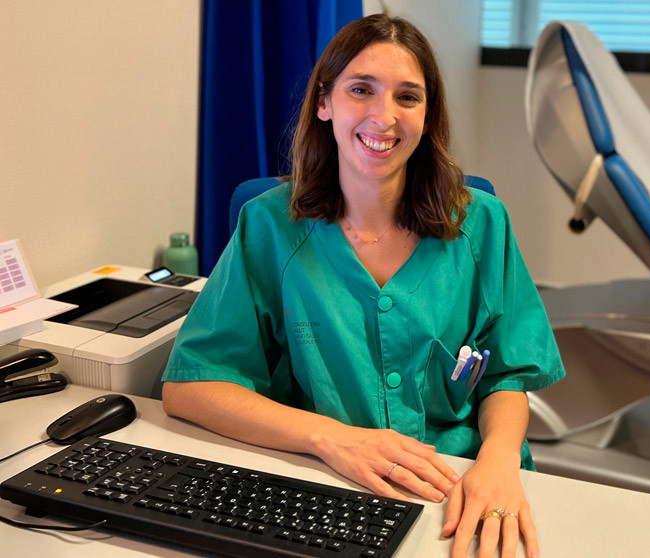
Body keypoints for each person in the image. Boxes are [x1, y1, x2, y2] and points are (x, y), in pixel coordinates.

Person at [161, 13, 564, 558]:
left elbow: (507, 374)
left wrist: (496, 463)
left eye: (408, 97)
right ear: (324, 103)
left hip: (461, 484)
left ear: (428, 115)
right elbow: (192, 386)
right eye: (361, 90)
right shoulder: (268, 228)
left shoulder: (483, 224)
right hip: (325, 487)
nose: (384, 117)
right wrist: (330, 438)